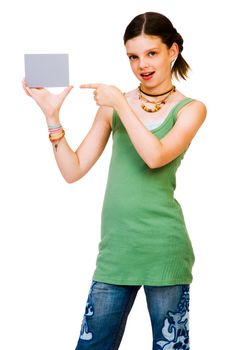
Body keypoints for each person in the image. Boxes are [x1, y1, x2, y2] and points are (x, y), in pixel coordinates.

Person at [22, 11, 206, 350]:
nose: (142, 65)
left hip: (164, 251)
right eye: (133, 56)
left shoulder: (191, 109)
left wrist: (121, 101)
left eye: (151, 53)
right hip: (116, 251)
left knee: (170, 347)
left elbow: (155, 156)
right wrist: (52, 117)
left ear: (173, 51)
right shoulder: (111, 107)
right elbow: (72, 170)